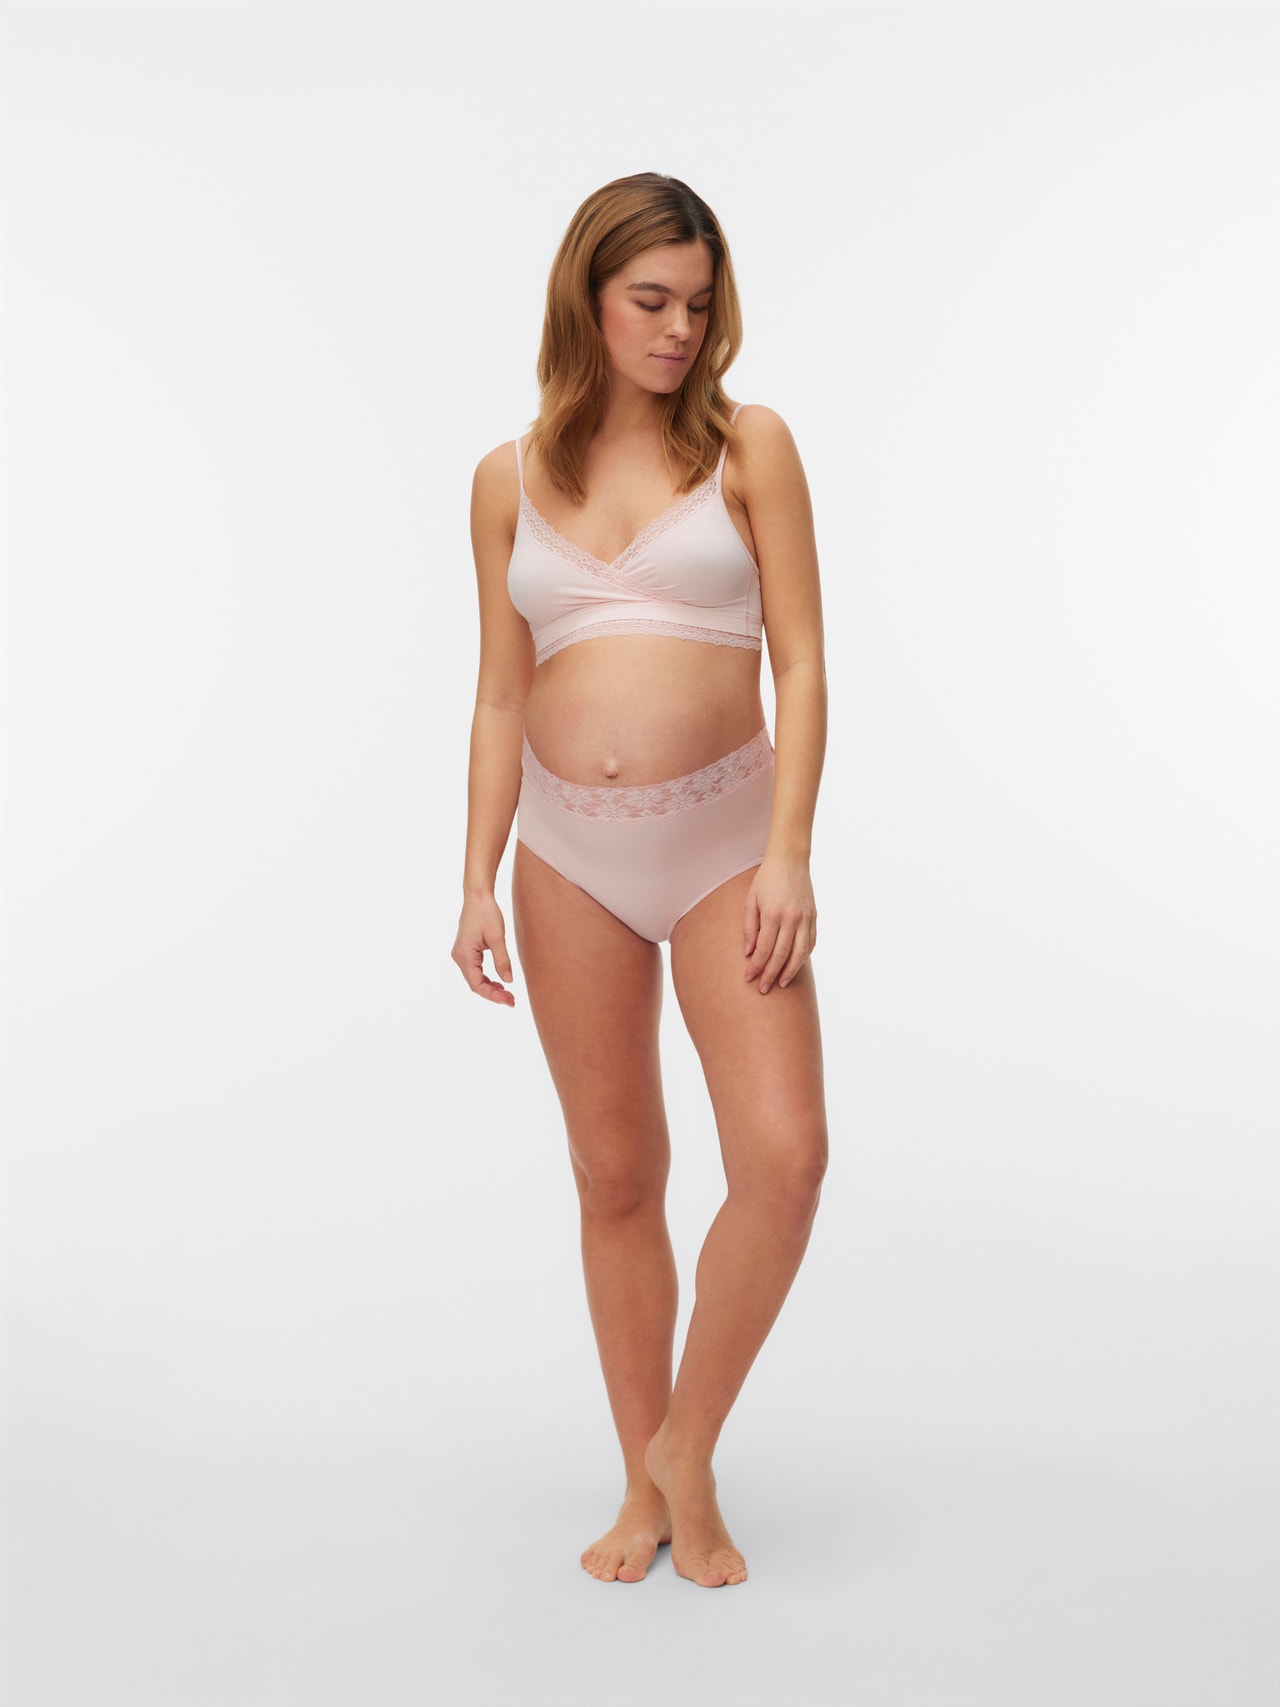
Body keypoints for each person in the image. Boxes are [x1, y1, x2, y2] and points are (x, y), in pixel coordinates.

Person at [452, 172, 828, 1588]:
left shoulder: (750, 447)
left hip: (728, 847)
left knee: (783, 1162)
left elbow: (802, 661)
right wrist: (476, 879)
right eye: (651, 302)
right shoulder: (507, 479)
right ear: (589, 301)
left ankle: (689, 1446)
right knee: (617, 1174)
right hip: (567, 859)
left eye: (699, 304)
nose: (680, 330)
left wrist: (789, 853)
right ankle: (643, 1484)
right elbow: (501, 694)